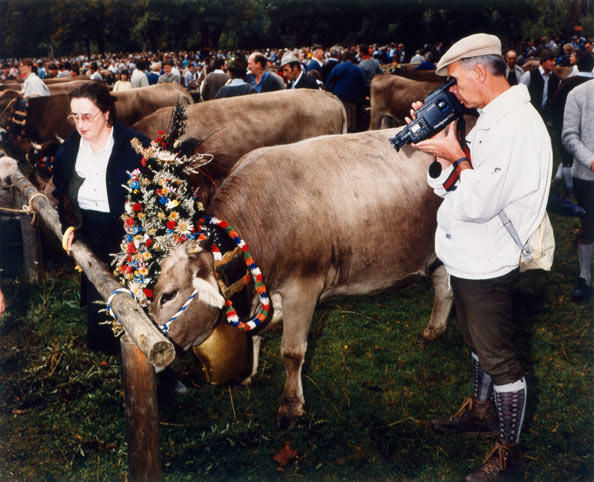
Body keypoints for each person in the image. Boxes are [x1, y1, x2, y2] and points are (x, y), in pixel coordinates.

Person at [406, 33, 551, 481]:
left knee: (500, 360)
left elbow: (478, 201)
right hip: (471, 255)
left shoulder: (515, 126)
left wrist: (456, 157)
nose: (452, 91)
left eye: (454, 81)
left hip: (489, 260)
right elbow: (452, 186)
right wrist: (445, 152)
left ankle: (509, 455)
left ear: (480, 72)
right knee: (476, 341)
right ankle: (481, 411)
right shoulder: (492, 117)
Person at [52, 82, 150, 353]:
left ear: (106, 113)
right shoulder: (68, 150)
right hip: (91, 233)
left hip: (129, 233)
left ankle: (156, 365)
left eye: (87, 116)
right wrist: (68, 224)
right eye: (75, 116)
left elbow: (155, 194)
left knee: (140, 302)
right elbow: (61, 193)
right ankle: (109, 349)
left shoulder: (135, 146)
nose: (80, 124)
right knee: (101, 307)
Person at [561, 79, 594, 302]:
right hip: (587, 176)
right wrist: (591, 161)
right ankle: (585, 276)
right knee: (588, 225)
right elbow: (569, 136)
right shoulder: (578, 94)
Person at [324, 50, 365, 132]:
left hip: (338, 99)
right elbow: (362, 85)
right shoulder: (357, 69)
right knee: (350, 123)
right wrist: (362, 96)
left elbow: (328, 83)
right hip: (352, 99)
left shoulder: (337, 68)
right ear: (352, 58)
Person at [519, 48, 560, 123]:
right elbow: (519, 95)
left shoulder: (555, 78)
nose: (554, 63)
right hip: (529, 116)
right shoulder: (530, 75)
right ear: (543, 61)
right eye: (551, 60)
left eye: (555, 61)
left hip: (546, 118)